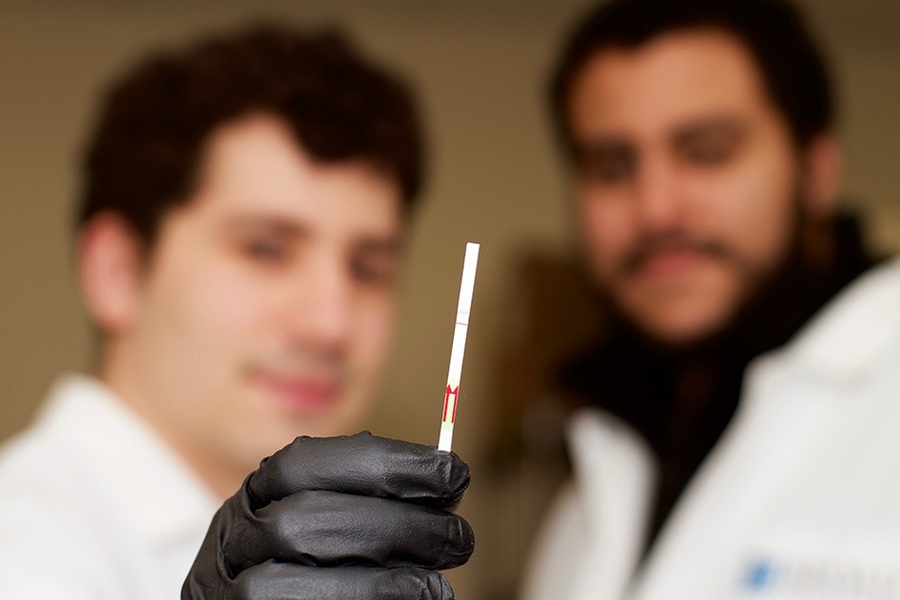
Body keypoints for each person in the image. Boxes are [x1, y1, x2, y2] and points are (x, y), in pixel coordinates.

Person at [0, 26, 473, 600]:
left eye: (367, 268)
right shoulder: (24, 550)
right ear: (119, 271)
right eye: (266, 249)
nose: (331, 326)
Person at [521, 0, 900, 599]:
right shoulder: (600, 464)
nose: (656, 209)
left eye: (706, 151)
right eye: (613, 166)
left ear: (816, 170)